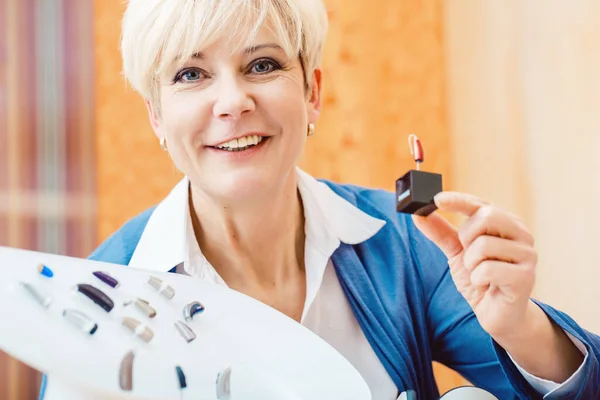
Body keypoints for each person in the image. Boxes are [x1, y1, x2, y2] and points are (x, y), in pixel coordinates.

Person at [40, 0, 600, 399]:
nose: (233, 101)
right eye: (192, 74)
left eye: (263, 65)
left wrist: (519, 325)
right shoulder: (103, 295)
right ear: (156, 117)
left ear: (312, 93)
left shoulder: (403, 238)